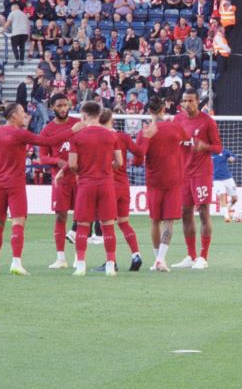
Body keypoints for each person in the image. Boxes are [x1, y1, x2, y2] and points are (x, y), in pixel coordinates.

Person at [0, 102, 76, 275]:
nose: (25, 114)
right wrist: (73, 130)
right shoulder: (20, 134)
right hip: (15, 184)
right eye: (22, 112)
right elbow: (48, 141)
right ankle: (16, 263)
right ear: (13, 116)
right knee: (18, 222)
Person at [67, 101, 122, 277]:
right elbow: (120, 162)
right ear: (99, 115)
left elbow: (72, 164)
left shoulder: (77, 137)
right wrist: (106, 169)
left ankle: (81, 265)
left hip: (86, 183)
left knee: (83, 225)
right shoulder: (111, 136)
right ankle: (110, 266)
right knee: (108, 226)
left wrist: (83, 171)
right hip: (106, 183)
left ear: (83, 116)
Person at [172, 87, 223, 269]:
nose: (187, 104)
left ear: (197, 102)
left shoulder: (207, 122)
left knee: (203, 211)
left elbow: (218, 147)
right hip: (183, 174)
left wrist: (204, 147)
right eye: (184, 101)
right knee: (185, 214)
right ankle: (191, 256)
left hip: (201, 173)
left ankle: (203, 257)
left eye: (190, 100)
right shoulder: (177, 120)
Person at [136, 96, 188, 272]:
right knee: (169, 222)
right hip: (173, 179)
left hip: (153, 180)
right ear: (163, 109)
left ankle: (157, 259)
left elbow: (138, 157)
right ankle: (161, 259)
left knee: (154, 221)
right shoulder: (174, 127)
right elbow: (187, 137)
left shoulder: (145, 131)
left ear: (149, 111)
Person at [100, 109, 145, 271]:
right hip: (124, 184)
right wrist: (136, 161)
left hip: (107, 184)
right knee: (124, 222)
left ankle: (111, 261)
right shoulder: (123, 137)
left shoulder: (100, 137)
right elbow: (140, 152)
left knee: (106, 224)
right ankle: (136, 254)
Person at [38, 93, 80, 268]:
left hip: (78, 178)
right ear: (52, 107)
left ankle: (80, 257)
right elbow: (42, 158)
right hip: (60, 180)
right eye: (59, 106)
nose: (63, 109)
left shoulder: (77, 125)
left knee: (82, 217)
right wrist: (57, 161)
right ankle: (61, 258)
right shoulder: (47, 130)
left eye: (65, 105)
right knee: (60, 216)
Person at [212, 147, 241, 223]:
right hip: (216, 179)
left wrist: (232, 158)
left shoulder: (224, 151)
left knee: (235, 199)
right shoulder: (208, 153)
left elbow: (234, 157)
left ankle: (227, 210)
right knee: (222, 196)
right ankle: (226, 217)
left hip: (228, 178)